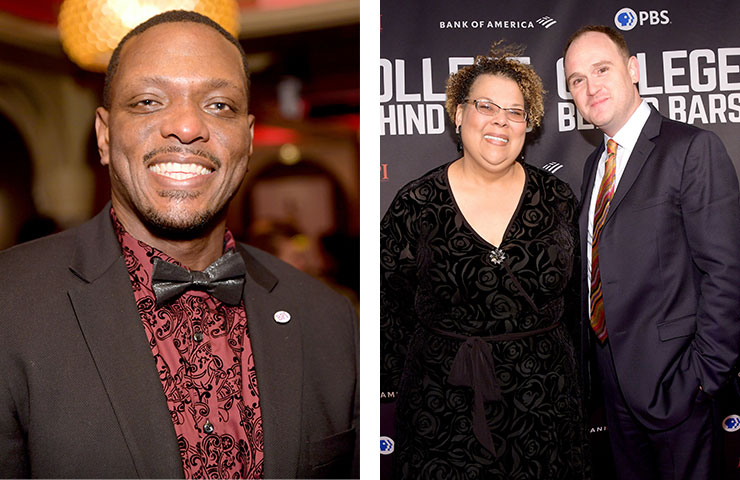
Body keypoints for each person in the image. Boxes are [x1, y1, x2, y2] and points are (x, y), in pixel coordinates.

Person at [0, 10, 358, 479]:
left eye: (218, 105)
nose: (186, 127)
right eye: (149, 101)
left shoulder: (329, 320)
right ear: (105, 137)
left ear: (248, 142)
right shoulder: (11, 304)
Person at [380, 41, 590, 479]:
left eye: (515, 111)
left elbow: (579, 303)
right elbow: (389, 310)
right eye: (486, 105)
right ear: (458, 114)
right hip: (442, 408)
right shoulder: (416, 203)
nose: (500, 120)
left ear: (529, 124)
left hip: (545, 405)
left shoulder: (557, 200)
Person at [563, 25, 740, 480]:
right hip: (613, 389)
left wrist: (703, 378)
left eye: (601, 69)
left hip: (680, 389)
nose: (590, 87)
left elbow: (727, 272)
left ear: (633, 69)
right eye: (576, 80)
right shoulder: (594, 164)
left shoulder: (692, 149)